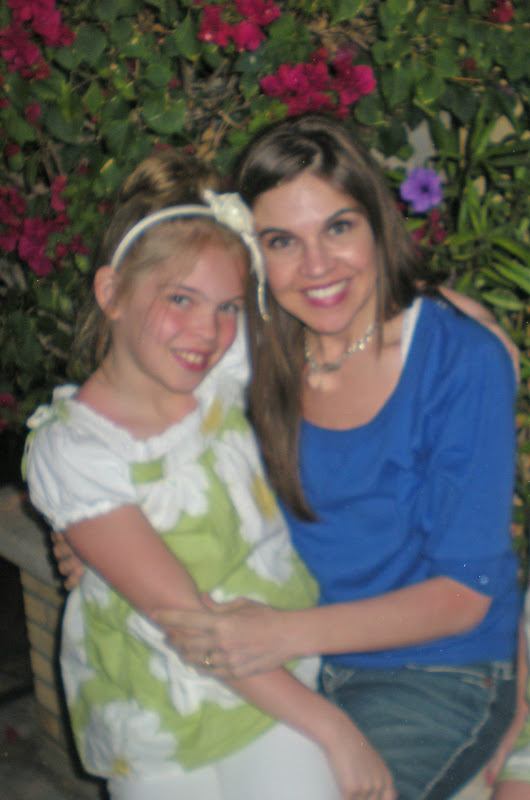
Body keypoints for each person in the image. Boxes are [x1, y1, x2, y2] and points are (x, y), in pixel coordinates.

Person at [147, 115, 521, 800]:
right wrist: (89, 527)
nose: (316, 267)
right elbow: (136, 433)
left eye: (338, 228)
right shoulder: (248, 349)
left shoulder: (459, 360)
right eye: (282, 242)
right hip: (299, 656)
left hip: (435, 669)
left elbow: (466, 591)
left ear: (377, 221)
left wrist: (283, 634)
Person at [23, 150, 396, 800]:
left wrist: (464, 317)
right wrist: (336, 729)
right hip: (154, 705)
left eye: (228, 307)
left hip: (271, 678)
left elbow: (348, 307)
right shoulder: (72, 449)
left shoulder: (221, 373)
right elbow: (186, 620)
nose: (208, 330)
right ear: (110, 293)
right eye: (180, 299)